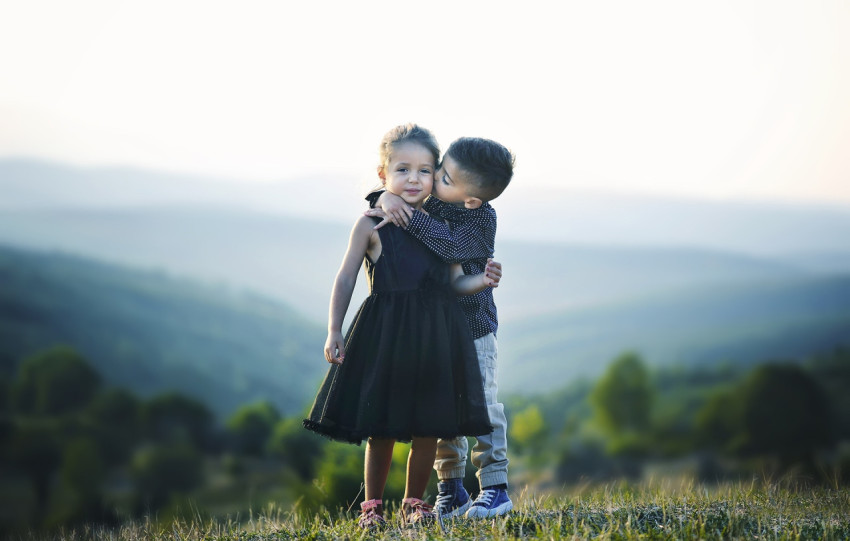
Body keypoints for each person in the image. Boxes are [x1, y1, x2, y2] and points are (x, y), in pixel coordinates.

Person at [303, 124, 500, 530]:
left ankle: (416, 504)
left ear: (436, 176)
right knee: (381, 427)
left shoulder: (438, 226)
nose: (414, 179)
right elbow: (345, 278)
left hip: (435, 340)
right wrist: (334, 329)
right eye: (403, 170)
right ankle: (372, 507)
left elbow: (455, 281)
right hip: (386, 337)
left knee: (430, 426)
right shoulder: (371, 223)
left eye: (425, 171)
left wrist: (481, 281)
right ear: (383, 174)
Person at [365, 136, 515, 519]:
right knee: (441, 411)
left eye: (442, 177)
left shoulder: (480, 220)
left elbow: (447, 247)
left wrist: (405, 212)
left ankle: (495, 487)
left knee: (481, 404)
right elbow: (400, 191)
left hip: (474, 328)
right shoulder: (437, 200)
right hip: (434, 330)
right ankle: (452, 488)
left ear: (471, 199)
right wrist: (385, 197)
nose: (432, 182)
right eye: (439, 170)